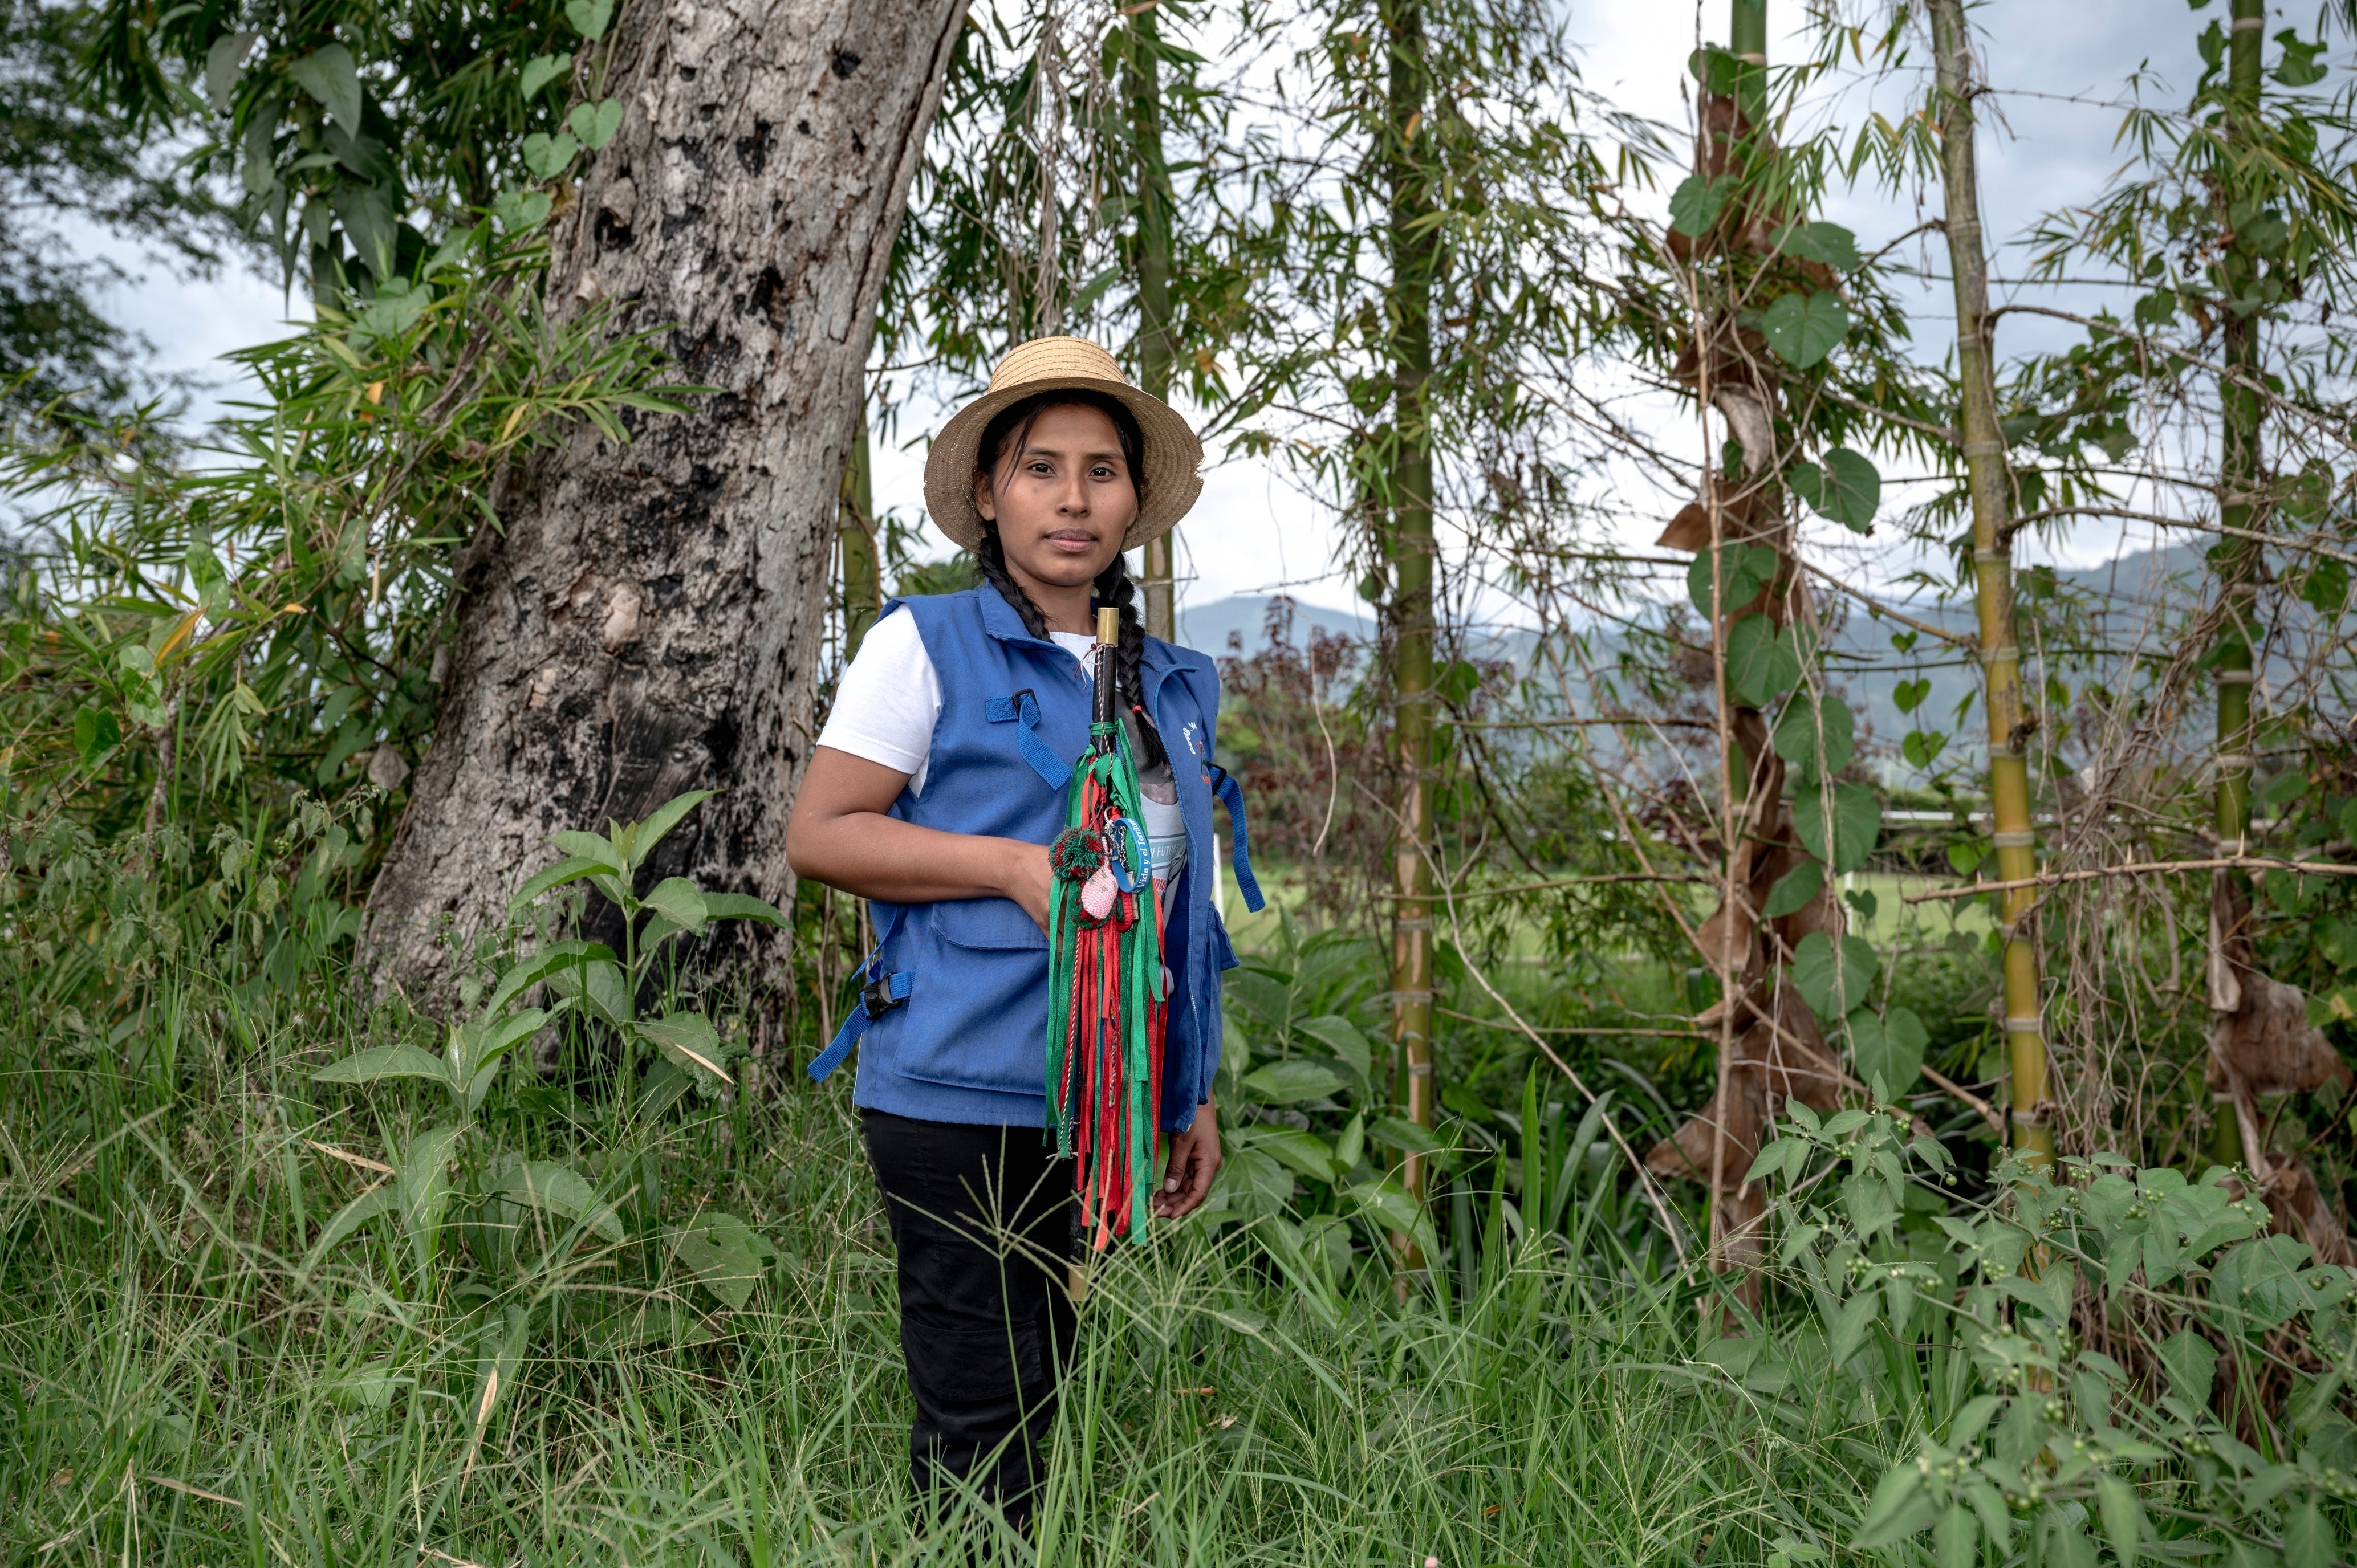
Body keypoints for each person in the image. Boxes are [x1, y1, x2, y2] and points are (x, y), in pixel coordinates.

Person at [784, 336, 1260, 1536]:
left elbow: (1175, 906)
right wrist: (1005, 868)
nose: (1072, 497)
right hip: (956, 1089)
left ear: (1134, 502)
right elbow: (825, 832)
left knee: (1045, 1394)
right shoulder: (924, 646)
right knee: (979, 1420)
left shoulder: (1166, 680)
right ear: (990, 494)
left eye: (1101, 471)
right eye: (1041, 467)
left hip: (1104, 1096)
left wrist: (1185, 1085)